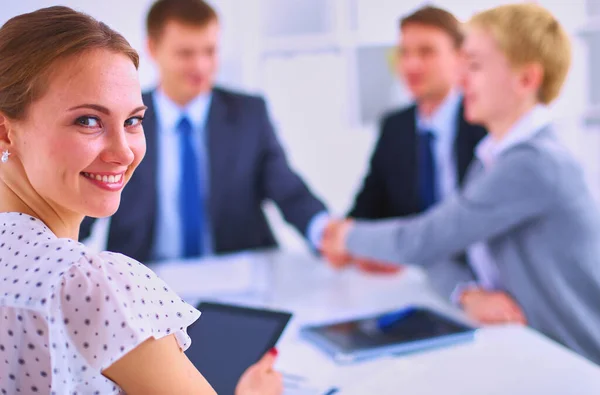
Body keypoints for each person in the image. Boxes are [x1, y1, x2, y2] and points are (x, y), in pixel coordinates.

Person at [0, 6, 282, 394]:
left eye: (133, 120)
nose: (124, 152)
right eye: (88, 120)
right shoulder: (96, 284)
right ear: (5, 131)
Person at [321, 3, 600, 364]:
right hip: (526, 353)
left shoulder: (534, 164)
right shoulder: (491, 158)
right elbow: (439, 250)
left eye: (475, 66)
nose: (462, 78)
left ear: (526, 80)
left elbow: (425, 239)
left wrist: (345, 235)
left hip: (576, 366)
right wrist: (467, 293)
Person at [79, 0, 329, 263]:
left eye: (209, 52)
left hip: (236, 273)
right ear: (152, 48)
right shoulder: (121, 119)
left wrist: (326, 232)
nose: (200, 66)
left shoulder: (249, 115)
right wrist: (49, 251)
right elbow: (87, 204)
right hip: (144, 277)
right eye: (186, 54)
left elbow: (288, 191)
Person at [333, 6, 486, 275]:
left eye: (427, 52)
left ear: (459, 58)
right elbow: (368, 207)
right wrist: (347, 241)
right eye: (405, 53)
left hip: (480, 277)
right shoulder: (395, 127)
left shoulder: (484, 123)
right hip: (414, 278)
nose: (412, 65)